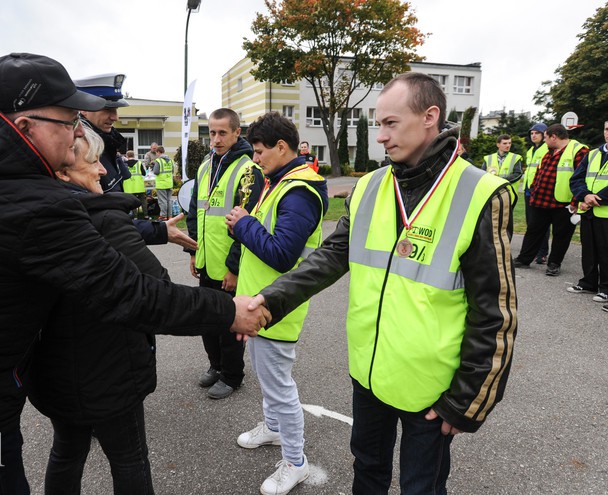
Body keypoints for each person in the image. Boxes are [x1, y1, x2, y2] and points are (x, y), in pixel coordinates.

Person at [0, 53, 267, 495]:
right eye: (69, 121)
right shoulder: (36, 205)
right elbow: (135, 294)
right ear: (24, 126)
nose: (78, 133)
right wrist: (228, 311)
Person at [242, 72, 518, 494]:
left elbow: (496, 311)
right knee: (367, 471)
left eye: (391, 123)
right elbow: (331, 257)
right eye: (377, 124)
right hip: (368, 374)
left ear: (430, 116)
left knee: (419, 487)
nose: (380, 137)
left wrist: (468, 401)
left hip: (430, 389)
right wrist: (268, 300)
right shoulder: (370, 186)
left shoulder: (480, 192)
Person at [29, 126, 201, 494]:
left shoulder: (33, 216)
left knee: (66, 452)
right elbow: (156, 288)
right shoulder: (102, 219)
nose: (104, 170)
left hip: (54, 370)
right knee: (129, 458)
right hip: (109, 369)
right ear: (62, 171)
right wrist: (225, 312)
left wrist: (152, 231)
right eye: (93, 161)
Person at [225, 112, 328, 495]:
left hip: (277, 307)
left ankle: (296, 463)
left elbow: (283, 254)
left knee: (279, 385)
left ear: (281, 147)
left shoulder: (299, 190)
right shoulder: (280, 181)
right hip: (260, 304)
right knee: (269, 380)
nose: (255, 158)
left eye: (260, 150)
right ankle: (272, 428)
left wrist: (243, 224)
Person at [187, 108, 266, 400]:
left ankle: (232, 376)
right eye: (212, 132)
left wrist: (234, 268)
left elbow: (247, 223)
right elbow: (196, 211)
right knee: (207, 319)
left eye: (222, 133)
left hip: (229, 267)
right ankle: (216, 366)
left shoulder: (249, 170)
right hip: (207, 260)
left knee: (230, 323)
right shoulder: (206, 166)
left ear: (236, 133)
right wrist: (192, 250)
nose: (216, 139)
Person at [514, 124, 589, 276]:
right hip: (541, 200)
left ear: (554, 137)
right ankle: (524, 259)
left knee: (561, 235)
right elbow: (540, 172)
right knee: (533, 230)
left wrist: (576, 201)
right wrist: (534, 189)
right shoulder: (549, 151)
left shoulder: (579, 151)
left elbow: (583, 178)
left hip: (564, 203)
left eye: (546, 137)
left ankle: (554, 264)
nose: (545, 140)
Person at [566, 120, 608, 306]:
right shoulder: (592, 154)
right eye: (607, 129)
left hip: (604, 211)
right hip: (589, 212)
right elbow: (576, 178)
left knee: (606, 251)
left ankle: (606, 288)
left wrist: (595, 199)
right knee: (589, 249)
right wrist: (585, 195)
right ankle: (589, 282)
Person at [76, 73, 132, 192]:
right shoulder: (79, 146)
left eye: (115, 109)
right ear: (84, 109)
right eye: (107, 109)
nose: (115, 117)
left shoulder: (107, 140)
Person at [524, 123, 551, 264]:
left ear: (544, 134)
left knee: (541, 223)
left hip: (540, 191)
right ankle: (533, 252)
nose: (533, 135)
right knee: (531, 224)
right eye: (532, 133)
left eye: (537, 133)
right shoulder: (530, 150)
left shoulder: (547, 149)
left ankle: (542, 253)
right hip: (529, 191)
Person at [152, 146, 174, 220]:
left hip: (161, 184)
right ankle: (170, 216)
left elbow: (156, 172)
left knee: (162, 201)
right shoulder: (170, 160)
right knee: (169, 200)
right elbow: (172, 171)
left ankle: (163, 215)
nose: (156, 155)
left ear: (158, 152)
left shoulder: (158, 161)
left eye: (156, 153)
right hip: (169, 183)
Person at [124, 150, 147, 217]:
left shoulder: (124, 164)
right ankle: (146, 215)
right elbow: (144, 173)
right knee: (143, 200)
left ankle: (135, 216)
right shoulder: (139, 163)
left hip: (129, 186)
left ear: (127, 156)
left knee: (132, 201)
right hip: (139, 185)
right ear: (134, 155)